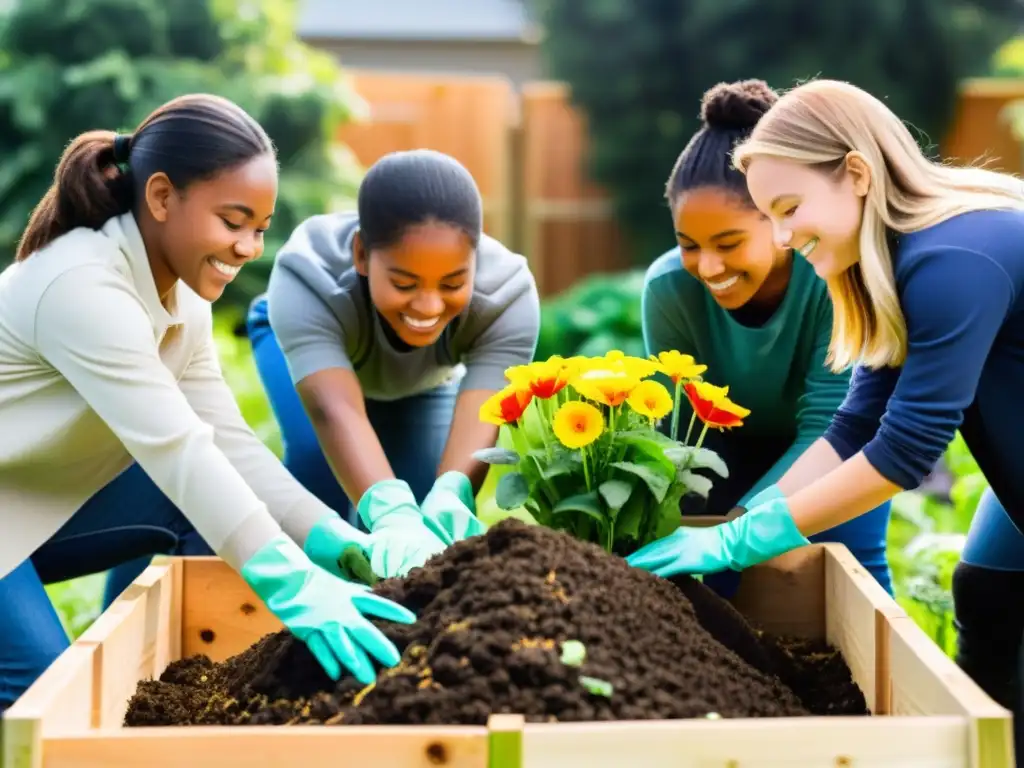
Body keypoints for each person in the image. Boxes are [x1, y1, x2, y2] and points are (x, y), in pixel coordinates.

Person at [0, 94, 435, 714]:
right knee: (38, 698)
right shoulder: (81, 287)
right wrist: (295, 586)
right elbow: (178, 451)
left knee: (206, 504)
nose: (250, 247)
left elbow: (230, 448)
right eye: (233, 222)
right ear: (160, 198)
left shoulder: (182, 298)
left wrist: (342, 545)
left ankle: (170, 693)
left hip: (26, 499)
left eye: (260, 228)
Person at [626, 77, 1024, 748]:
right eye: (768, 215)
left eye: (789, 207)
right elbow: (852, 427)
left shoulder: (952, 259)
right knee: (986, 596)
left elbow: (905, 450)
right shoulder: (892, 268)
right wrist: (743, 523)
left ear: (857, 174)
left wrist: (738, 542)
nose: (782, 235)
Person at [641, 79, 892, 597]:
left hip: (830, 451)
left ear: (781, 222)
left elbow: (831, 423)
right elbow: (675, 429)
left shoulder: (832, 278)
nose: (708, 267)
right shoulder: (669, 289)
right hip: (721, 451)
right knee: (696, 570)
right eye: (688, 245)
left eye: (729, 243)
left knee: (853, 573)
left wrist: (740, 531)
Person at [243, 149, 541, 543]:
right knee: (321, 468)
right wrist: (386, 507)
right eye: (404, 284)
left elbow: (485, 413)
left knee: (423, 517)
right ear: (361, 255)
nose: (428, 305)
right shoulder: (308, 276)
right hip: (307, 348)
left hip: (420, 379)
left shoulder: (507, 296)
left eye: (452, 284)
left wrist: (453, 493)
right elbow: (336, 411)